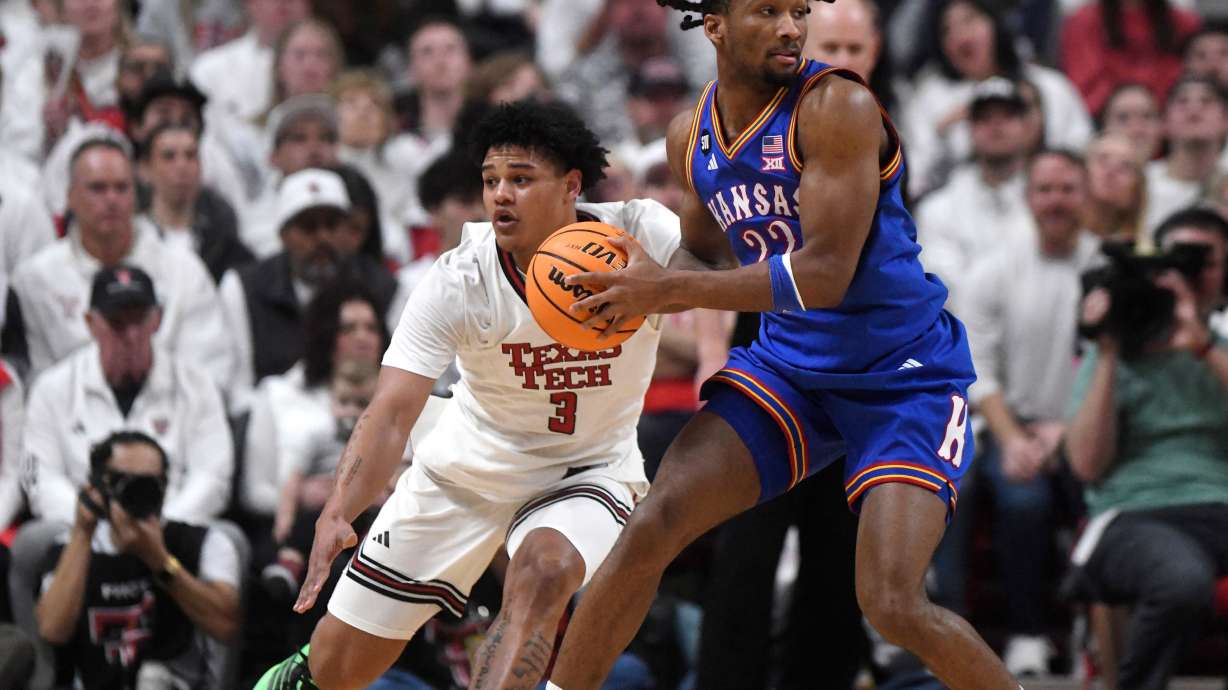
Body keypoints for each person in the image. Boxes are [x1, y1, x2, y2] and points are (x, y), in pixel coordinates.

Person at [545, 1, 1017, 688]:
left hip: (901, 374)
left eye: (799, 10)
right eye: (768, 11)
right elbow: (702, 258)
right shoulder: (691, 134)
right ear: (715, 27)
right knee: (652, 524)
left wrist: (666, 291)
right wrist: (617, 286)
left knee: (891, 603)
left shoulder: (836, 107)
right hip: (791, 369)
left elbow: (824, 275)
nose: (792, 27)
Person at [254, 99, 681, 690]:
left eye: (521, 180)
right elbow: (390, 413)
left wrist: (662, 286)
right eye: (490, 181)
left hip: (585, 468)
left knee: (544, 572)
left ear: (572, 186)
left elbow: (721, 270)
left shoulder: (642, 235)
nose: (501, 195)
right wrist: (337, 511)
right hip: (465, 471)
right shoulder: (460, 277)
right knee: (335, 668)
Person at [942, 150, 1101, 676]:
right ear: (1029, 198)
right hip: (1010, 428)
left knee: (1097, 494)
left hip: (1090, 428)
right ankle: (1027, 634)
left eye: (1067, 189)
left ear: (1086, 195)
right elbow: (976, 369)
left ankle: (1092, 635)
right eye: (1046, 190)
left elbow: (1114, 371)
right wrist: (1014, 440)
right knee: (1022, 500)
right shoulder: (992, 271)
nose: (1056, 201)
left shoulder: (1105, 270)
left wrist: (1068, 431)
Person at [1066, 207, 1228, 688]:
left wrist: (1200, 345)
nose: (1187, 275)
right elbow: (1087, 465)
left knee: (1186, 569)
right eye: (1173, 261)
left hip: (1218, 504)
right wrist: (1111, 350)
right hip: (1134, 512)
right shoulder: (1110, 351)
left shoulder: (1219, 346)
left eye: (1201, 261)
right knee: (1182, 578)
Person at [3, 139, 233, 392]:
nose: (112, 199)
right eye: (97, 188)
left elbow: (211, 372)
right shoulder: (35, 280)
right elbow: (37, 384)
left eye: (122, 188)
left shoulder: (185, 270)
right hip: (72, 424)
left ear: (136, 195)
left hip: (173, 419)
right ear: (70, 197)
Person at [21, 265, 233, 527]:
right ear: (91, 323)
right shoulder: (52, 388)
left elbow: (213, 477)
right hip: (80, 532)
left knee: (227, 539)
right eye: (117, 323)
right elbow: (41, 481)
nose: (131, 336)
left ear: (157, 320)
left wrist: (160, 524)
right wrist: (98, 526)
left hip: (172, 527)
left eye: (139, 319)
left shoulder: (196, 384)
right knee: (33, 539)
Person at [33, 430, 241, 689]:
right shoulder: (70, 547)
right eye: (125, 481)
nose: (140, 491)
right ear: (99, 487)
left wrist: (159, 560)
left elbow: (227, 626)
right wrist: (83, 533)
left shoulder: (204, 543)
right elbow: (52, 630)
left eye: (151, 482)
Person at [915, 76, 1034, 305]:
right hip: (968, 333)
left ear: (1027, 127)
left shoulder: (1050, 197)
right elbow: (944, 287)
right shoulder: (937, 209)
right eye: (984, 118)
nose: (996, 125)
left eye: (1008, 116)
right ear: (969, 129)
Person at [137, 122, 255, 283]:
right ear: (145, 169)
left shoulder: (227, 245)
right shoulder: (131, 240)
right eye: (169, 156)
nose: (182, 166)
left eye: (191, 155)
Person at [1061, 0, 1203, 116]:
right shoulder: (1084, 22)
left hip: (1172, 120)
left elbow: (1196, 81)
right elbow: (1087, 87)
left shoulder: (1185, 23)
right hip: (1106, 120)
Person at [1143, 75, 1227, 234]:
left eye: (1207, 101)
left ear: (1225, 120)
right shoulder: (1140, 183)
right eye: (1182, 101)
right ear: (1164, 123)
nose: (1194, 108)